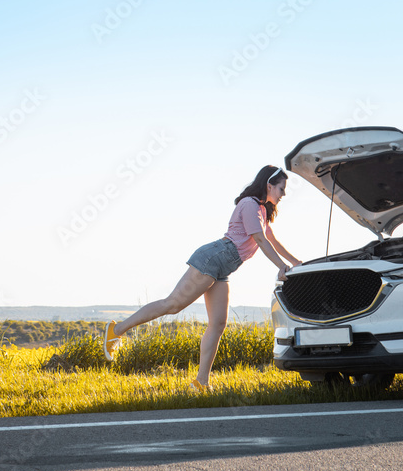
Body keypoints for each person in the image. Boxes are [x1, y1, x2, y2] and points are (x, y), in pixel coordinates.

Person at [102, 165, 302, 390]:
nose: (283, 194)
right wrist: (281, 266)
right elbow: (261, 241)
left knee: (217, 323)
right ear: (269, 185)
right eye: (281, 189)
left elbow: (272, 240)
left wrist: (296, 264)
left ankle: (201, 382)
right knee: (172, 305)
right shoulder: (249, 205)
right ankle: (117, 330)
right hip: (213, 259)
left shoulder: (262, 211)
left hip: (223, 268)